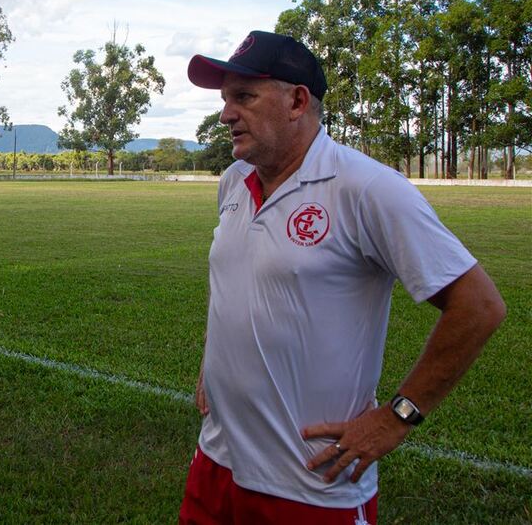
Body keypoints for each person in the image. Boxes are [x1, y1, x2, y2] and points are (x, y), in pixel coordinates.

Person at [179, 31, 506, 525]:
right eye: (225, 99)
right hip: (215, 464)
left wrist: (397, 418)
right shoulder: (234, 181)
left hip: (310, 486)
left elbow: (479, 307)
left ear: (296, 100)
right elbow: (235, 278)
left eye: (243, 97)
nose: (226, 114)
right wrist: (213, 351)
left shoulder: (368, 188)